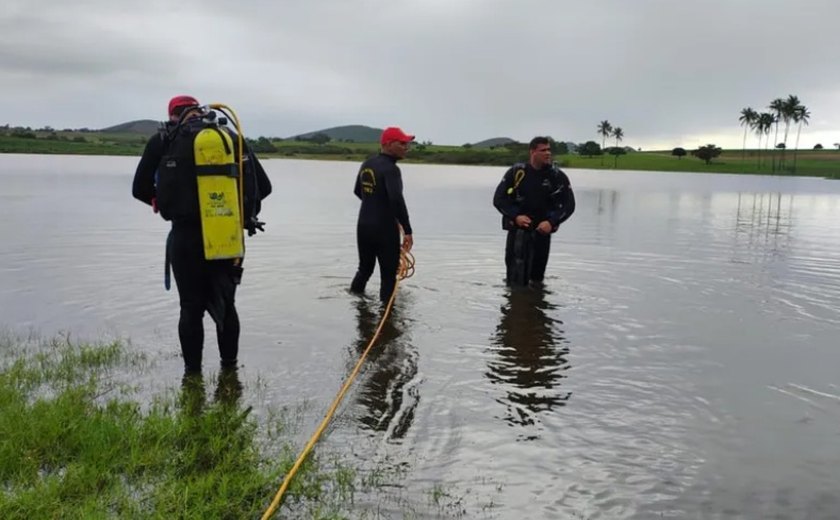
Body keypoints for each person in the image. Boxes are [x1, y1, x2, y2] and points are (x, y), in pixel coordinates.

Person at [132, 95, 272, 374]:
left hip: (185, 237)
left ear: (173, 114)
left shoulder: (164, 139)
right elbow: (263, 186)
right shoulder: (229, 137)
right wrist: (240, 212)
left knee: (190, 308)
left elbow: (139, 189)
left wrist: (161, 202)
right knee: (227, 306)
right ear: (199, 110)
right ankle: (230, 372)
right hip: (227, 236)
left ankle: (192, 376)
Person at [492, 136, 575, 287]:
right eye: (543, 150)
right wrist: (516, 216)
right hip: (518, 232)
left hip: (542, 232)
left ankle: (536, 301)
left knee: (537, 280)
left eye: (549, 150)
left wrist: (552, 222)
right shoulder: (517, 172)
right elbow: (499, 199)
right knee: (514, 281)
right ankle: (519, 305)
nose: (548, 153)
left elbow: (569, 205)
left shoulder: (557, 176)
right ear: (532, 152)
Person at [349, 126, 414, 303]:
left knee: (364, 269)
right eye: (402, 143)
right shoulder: (392, 169)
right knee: (388, 276)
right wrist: (407, 230)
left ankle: (357, 306)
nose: (406, 147)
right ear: (389, 144)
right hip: (384, 228)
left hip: (364, 225)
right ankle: (387, 320)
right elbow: (396, 199)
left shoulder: (367, 164)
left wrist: (373, 204)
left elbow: (357, 191)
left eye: (407, 144)